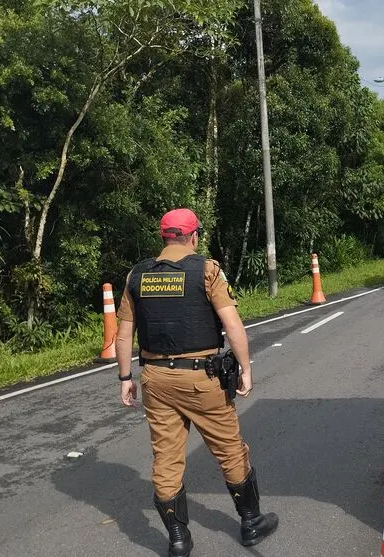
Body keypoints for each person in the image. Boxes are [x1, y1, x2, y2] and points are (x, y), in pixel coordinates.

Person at [115, 208, 278, 556]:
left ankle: (178, 539)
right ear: (193, 236)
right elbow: (232, 324)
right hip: (202, 378)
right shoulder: (206, 269)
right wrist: (246, 369)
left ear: (164, 237)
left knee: (166, 459)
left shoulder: (136, 275)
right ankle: (250, 523)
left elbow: (124, 332)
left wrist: (125, 377)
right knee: (229, 449)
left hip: (156, 379)